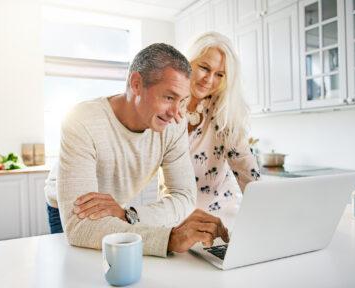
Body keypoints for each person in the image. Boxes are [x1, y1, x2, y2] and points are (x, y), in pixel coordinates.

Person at [48, 43, 229, 257]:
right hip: (67, 210)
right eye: (169, 97)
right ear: (136, 84)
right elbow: (81, 228)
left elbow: (184, 197)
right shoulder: (83, 120)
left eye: (182, 100)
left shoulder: (173, 124)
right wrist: (169, 239)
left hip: (118, 209)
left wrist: (128, 214)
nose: (176, 113)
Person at [182, 32, 260, 228]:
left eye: (219, 74)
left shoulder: (224, 112)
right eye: (204, 68)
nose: (209, 79)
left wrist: (267, 212)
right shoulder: (167, 108)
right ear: (188, 62)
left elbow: (246, 170)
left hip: (218, 222)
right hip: (175, 222)